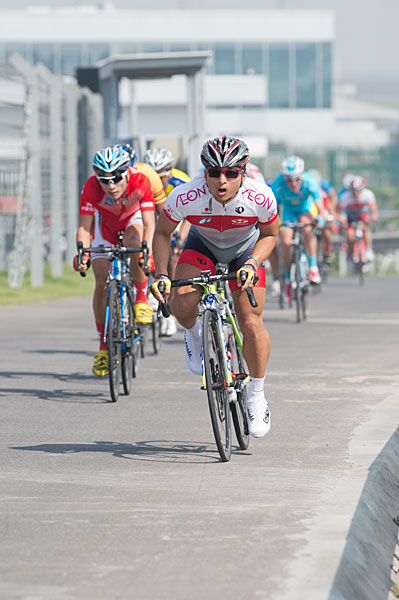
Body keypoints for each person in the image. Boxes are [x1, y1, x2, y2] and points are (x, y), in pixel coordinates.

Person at [151, 136, 279, 438]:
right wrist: (160, 273)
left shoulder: (260, 197)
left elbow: (271, 235)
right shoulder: (185, 196)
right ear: (204, 172)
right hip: (203, 245)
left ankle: (256, 395)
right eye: (214, 173)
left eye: (231, 173)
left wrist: (253, 264)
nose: (222, 180)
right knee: (181, 300)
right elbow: (162, 233)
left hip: (245, 251)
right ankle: (195, 333)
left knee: (250, 320)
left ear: (243, 173)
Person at [73, 145, 156, 377]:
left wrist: (146, 253)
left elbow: (150, 224)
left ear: (127, 173)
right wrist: (82, 254)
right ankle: (103, 348)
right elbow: (84, 226)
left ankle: (140, 299)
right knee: (101, 283)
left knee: (136, 242)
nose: (111, 186)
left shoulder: (141, 182)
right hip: (105, 228)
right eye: (104, 179)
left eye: (116, 178)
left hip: (133, 221)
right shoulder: (91, 187)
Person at [143, 148, 192, 337]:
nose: (158, 181)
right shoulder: (142, 181)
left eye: (162, 176)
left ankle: (169, 312)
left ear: (170, 172)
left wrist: (180, 235)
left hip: (178, 219)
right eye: (153, 176)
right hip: (153, 218)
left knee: (174, 256)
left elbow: (190, 214)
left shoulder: (181, 182)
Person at [271, 155, 330, 302]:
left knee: (308, 228)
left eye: (297, 179)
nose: (293, 183)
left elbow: (320, 205)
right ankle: (287, 278)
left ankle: (313, 267)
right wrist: (274, 225)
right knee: (285, 241)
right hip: (288, 213)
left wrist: (322, 219)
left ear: (302, 176)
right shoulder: (278, 184)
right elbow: (272, 208)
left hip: (305, 210)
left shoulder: (310, 182)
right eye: (289, 180)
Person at [337, 175, 378, 262]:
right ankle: (350, 253)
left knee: (365, 229)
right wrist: (342, 220)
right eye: (354, 191)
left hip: (362, 215)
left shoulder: (368, 195)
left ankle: (368, 250)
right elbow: (338, 212)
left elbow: (374, 211)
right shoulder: (345, 197)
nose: (356, 193)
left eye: (358, 190)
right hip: (350, 217)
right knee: (350, 235)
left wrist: (372, 219)